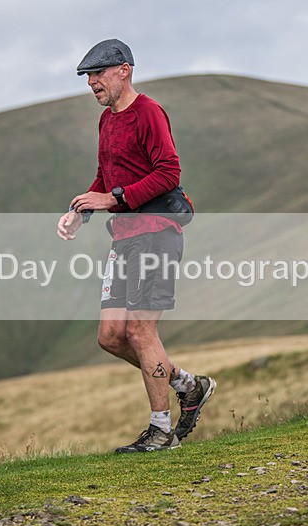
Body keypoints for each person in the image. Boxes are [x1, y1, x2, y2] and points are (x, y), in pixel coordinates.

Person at [56, 39, 216, 453]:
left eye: (97, 73)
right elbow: (105, 177)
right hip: (124, 237)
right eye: (88, 77)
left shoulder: (148, 112)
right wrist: (82, 210)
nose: (91, 83)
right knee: (111, 336)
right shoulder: (107, 121)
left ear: (123, 70)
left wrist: (113, 199)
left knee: (141, 330)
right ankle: (188, 385)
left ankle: (161, 431)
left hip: (157, 232)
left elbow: (169, 172)